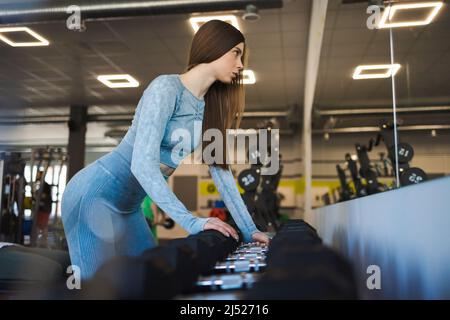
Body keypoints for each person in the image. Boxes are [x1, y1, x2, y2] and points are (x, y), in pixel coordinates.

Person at [61, 20, 269, 280]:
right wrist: (193, 222)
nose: (240, 64)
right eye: (236, 53)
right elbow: (142, 165)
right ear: (213, 47)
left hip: (129, 208)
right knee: (98, 291)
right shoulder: (165, 88)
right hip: (93, 197)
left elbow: (221, 172)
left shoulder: (208, 108)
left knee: (151, 280)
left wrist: (249, 231)